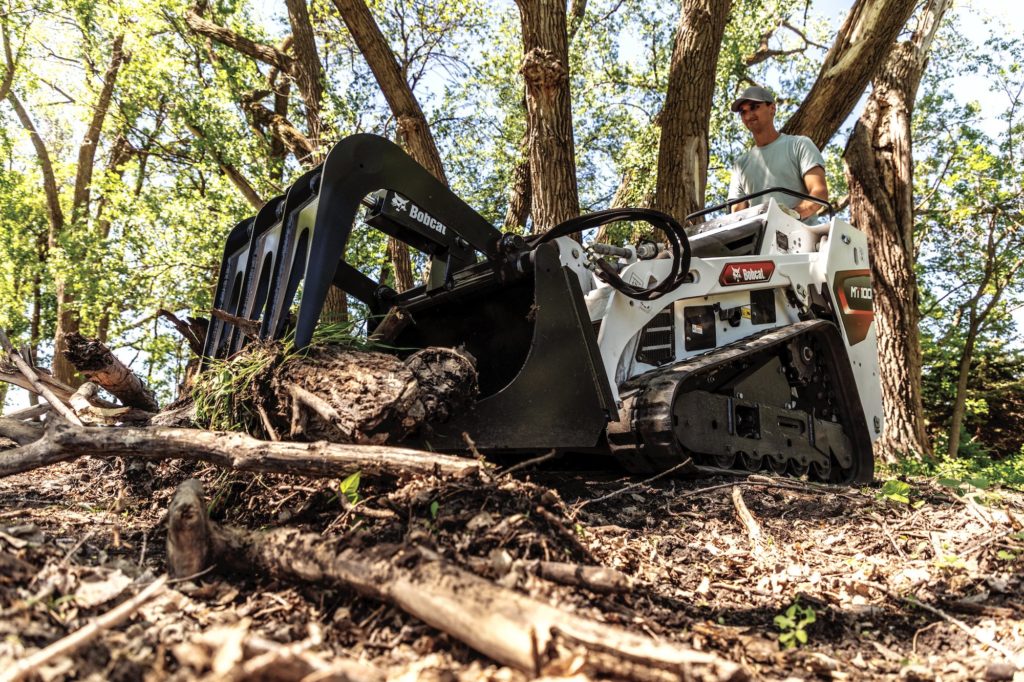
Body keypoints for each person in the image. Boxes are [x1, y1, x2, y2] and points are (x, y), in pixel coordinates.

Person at [727, 85, 828, 222]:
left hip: (803, 238)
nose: (748, 115)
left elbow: (819, 193)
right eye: (743, 112)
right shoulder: (740, 165)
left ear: (772, 108)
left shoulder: (799, 145)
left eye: (754, 107)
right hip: (761, 241)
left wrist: (790, 215)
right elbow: (737, 215)